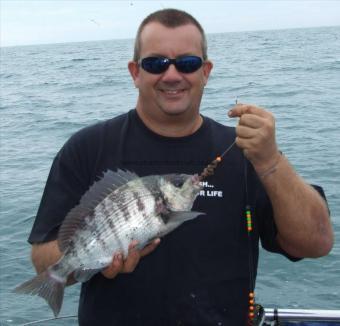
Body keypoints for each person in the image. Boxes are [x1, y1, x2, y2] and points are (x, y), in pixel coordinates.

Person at [28, 8, 333, 326]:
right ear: (135, 72)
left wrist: (271, 161)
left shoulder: (248, 152)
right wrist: (95, 258)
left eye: (187, 63)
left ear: (206, 71)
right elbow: (42, 261)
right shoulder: (87, 148)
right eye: (155, 63)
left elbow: (316, 244)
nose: (172, 75)